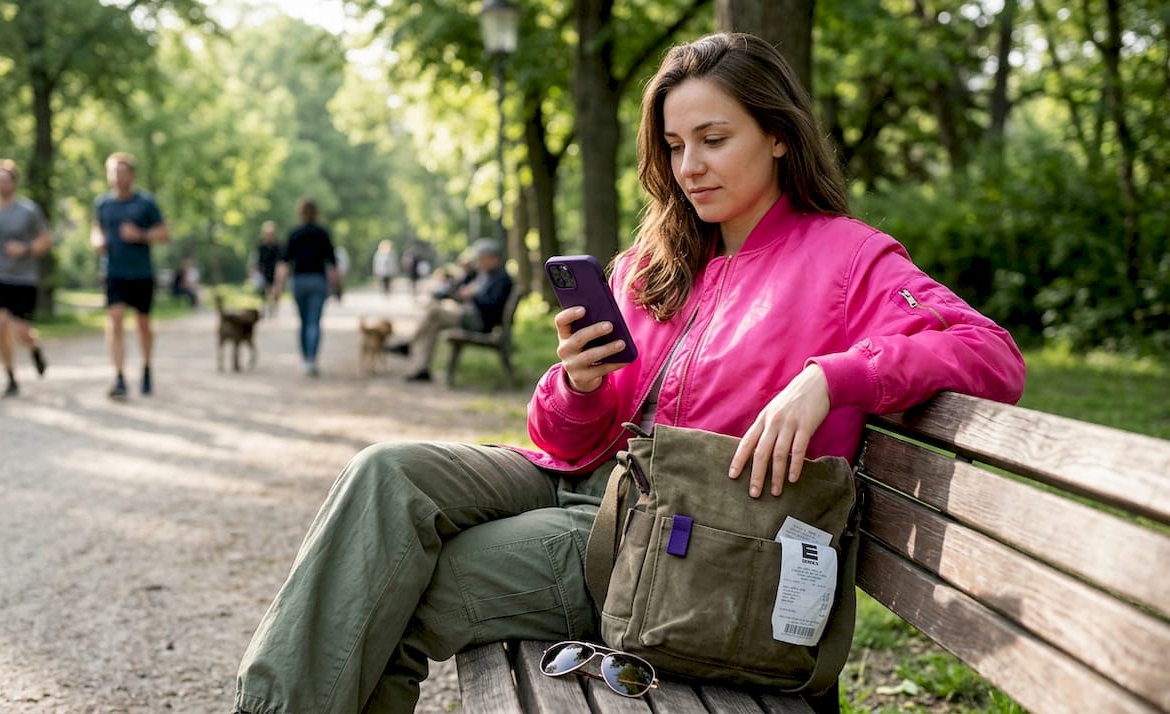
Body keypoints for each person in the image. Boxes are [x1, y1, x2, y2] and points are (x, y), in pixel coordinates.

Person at [233, 33, 1025, 714]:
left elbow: (991, 354)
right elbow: (565, 436)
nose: (690, 166)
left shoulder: (847, 258)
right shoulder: (655, 262)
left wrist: (831, 377)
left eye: (714, 139)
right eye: (675, 146)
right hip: (590, 481)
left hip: (683, 540)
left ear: (778, 135)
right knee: (384, 473)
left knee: (397, 590)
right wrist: (574, 383)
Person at [0, 160, 52, 398]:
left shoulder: (28, 211)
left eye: (6, 180)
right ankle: (10, 378)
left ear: (14, 183)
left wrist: (25, 249)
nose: (1, 184)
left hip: (24, 279)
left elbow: (45, 240)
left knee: (21, 331)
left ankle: (34, 348)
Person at [91, 152, 169, 399]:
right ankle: (119, 376)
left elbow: (164, 233)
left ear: (132, 175)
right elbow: (96, 230)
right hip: (113, 272)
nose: (117, 176)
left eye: (122, 171)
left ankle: (146, 366)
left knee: (142, 324)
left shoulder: (146, 202)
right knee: (114, 320)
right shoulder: (102, 204)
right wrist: (98, 240)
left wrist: (141, 235)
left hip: (141, 272)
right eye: (113, 171)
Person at [385, 238, 513, 383]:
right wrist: (463, 294)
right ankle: (422, 368)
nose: (479, 262)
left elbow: (492, 306)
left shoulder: (501, 278)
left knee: (434, 313)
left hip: (481, 322)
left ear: (492, 258)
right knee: (433, 319)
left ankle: (410, 345)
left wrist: (473, 296)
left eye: (482, 258)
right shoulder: (488, 275)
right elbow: (468, 289)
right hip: (473, 316)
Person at [273, 198, 342, 377]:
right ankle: (311, 360)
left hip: (299, 281)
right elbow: (332, 264)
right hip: (318, 281)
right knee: (314, 322)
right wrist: (338, 286)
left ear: (300, 213)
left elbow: (283, 263)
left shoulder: (294, 233)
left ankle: (305, 360)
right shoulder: (322, 233)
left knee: (303, 322)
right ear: (316, 213)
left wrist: (277, 286)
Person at [251, 221, 283, 316]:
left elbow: (280, 261)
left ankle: (274, 308)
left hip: (275, 272)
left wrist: (279, 276)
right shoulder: (260, 246)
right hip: (263, 272)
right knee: (263, 292)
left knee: (275, 292)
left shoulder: (277, 246)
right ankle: (264, 309)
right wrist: (256, 272)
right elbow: (257, 260)